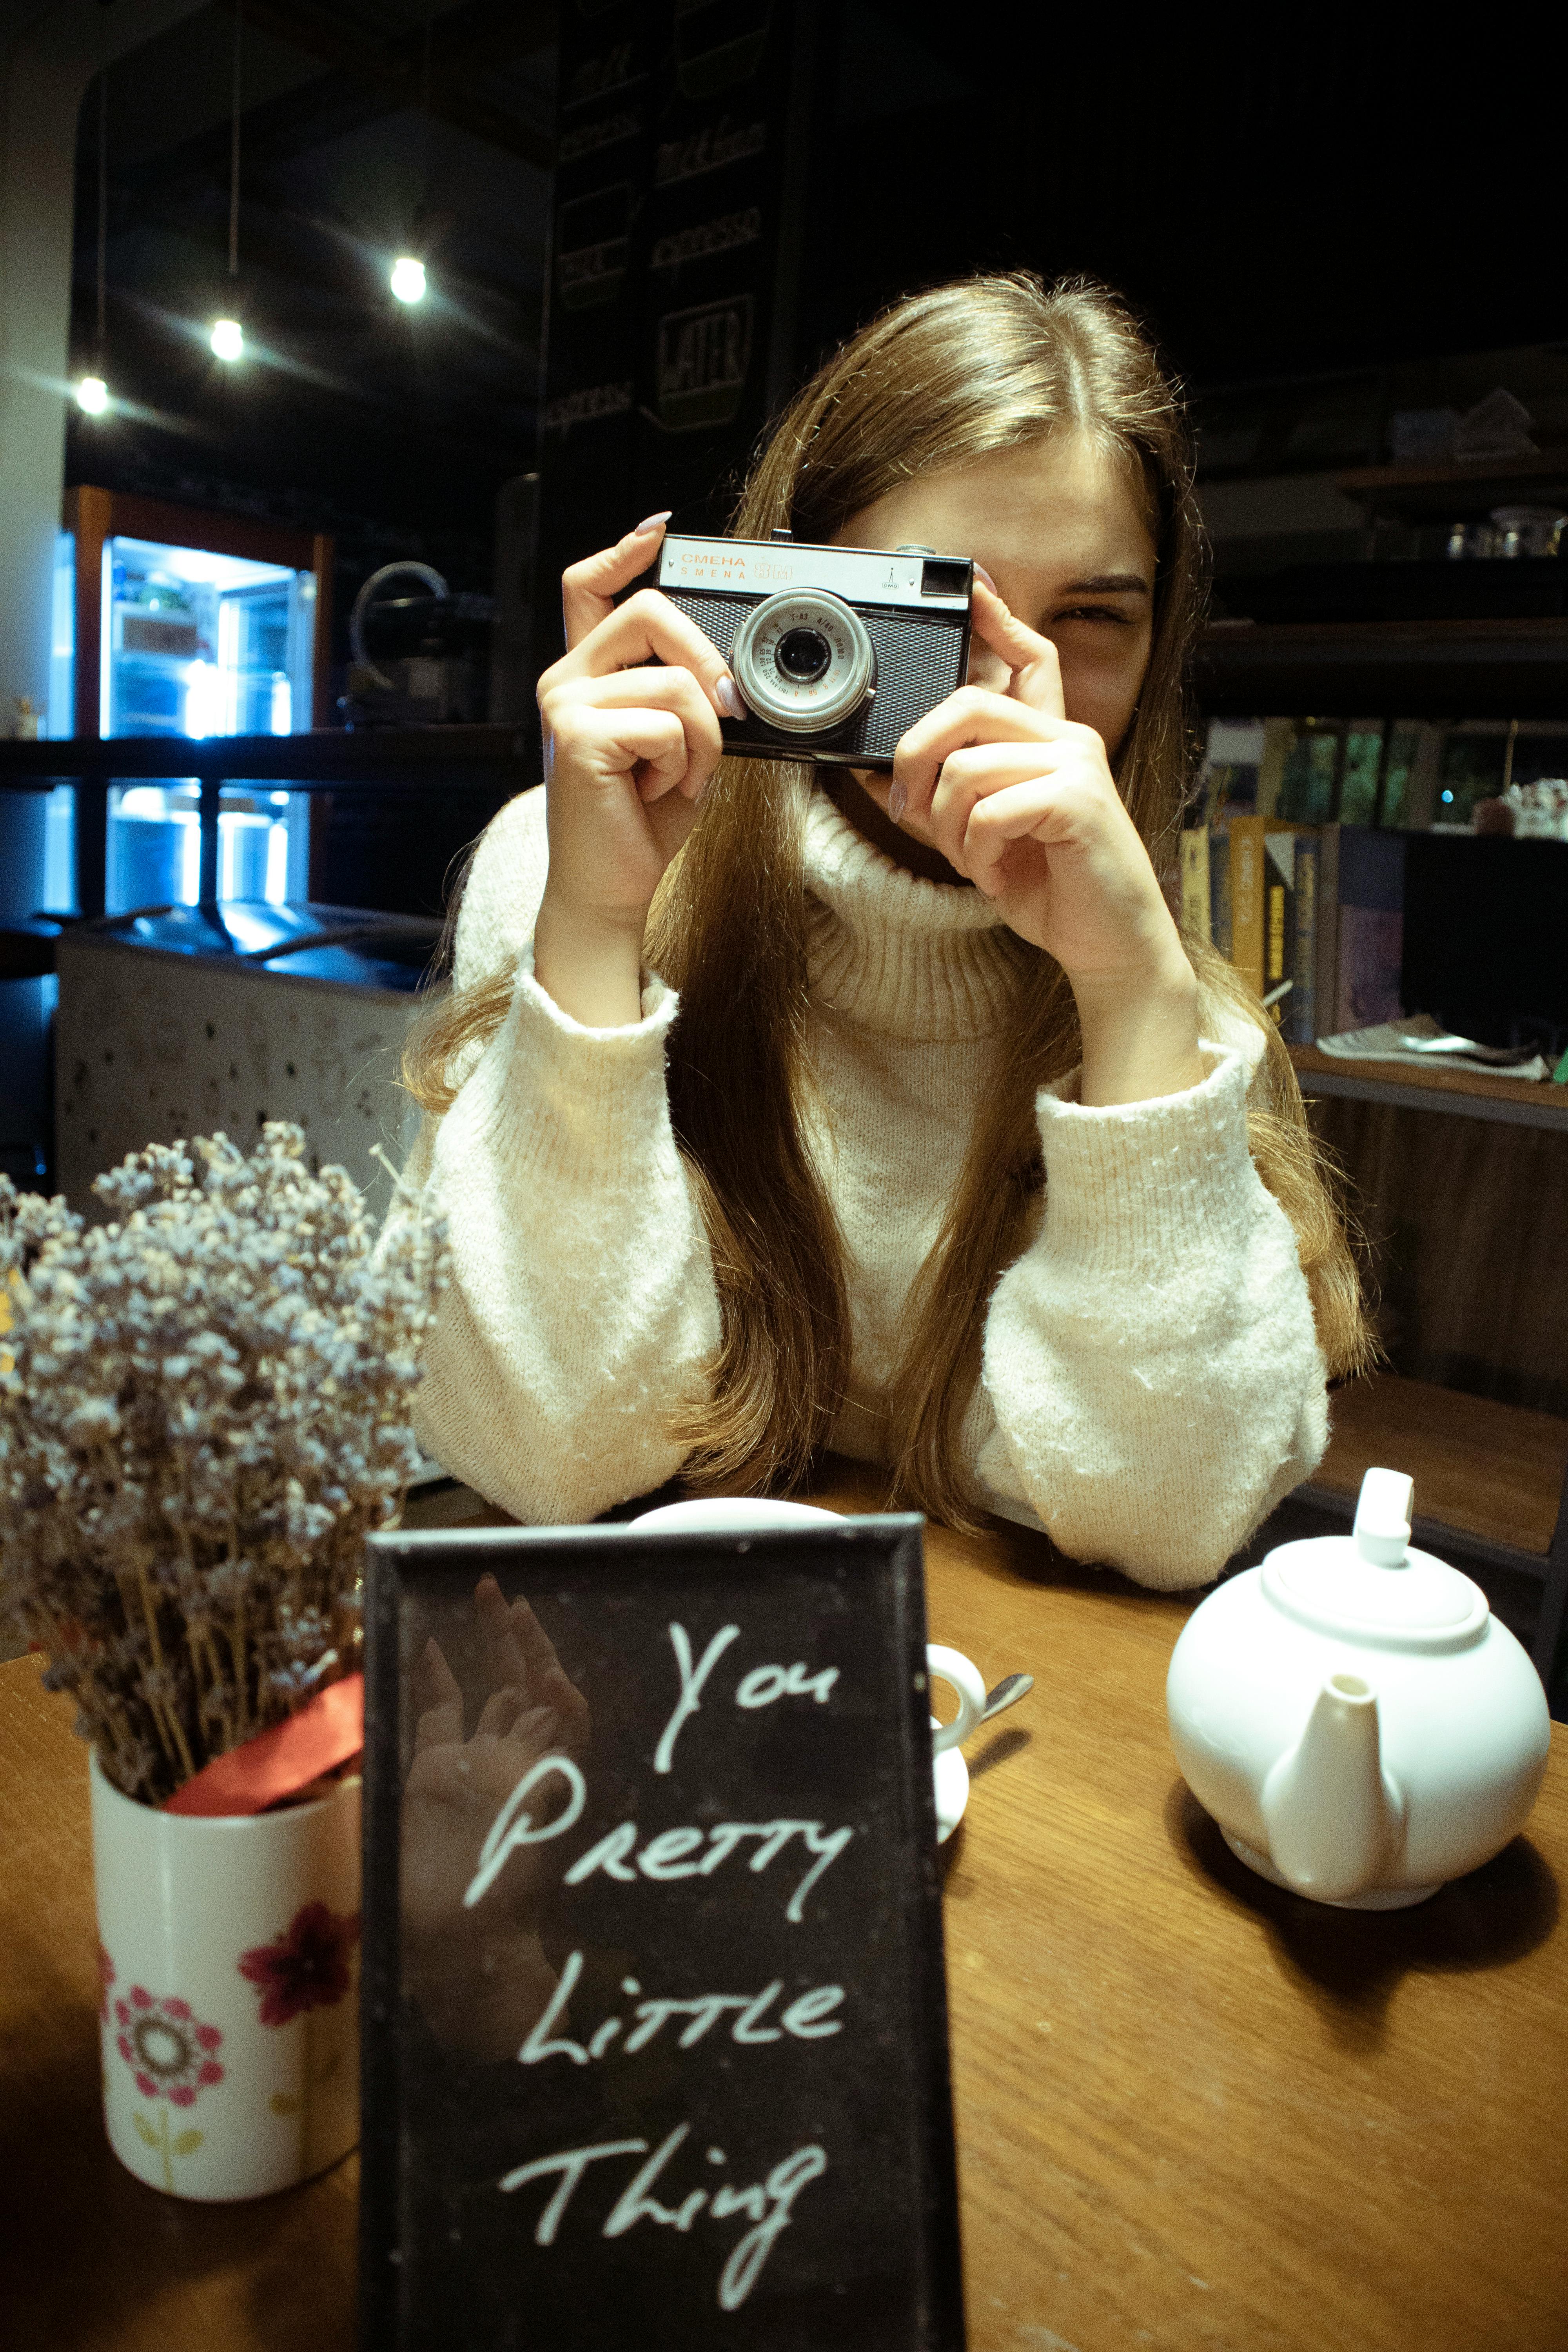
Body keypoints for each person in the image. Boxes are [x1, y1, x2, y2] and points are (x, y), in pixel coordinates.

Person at [390, 271, 1370, 1588]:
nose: (1010, 678)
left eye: (1089, 618)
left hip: (1009, 1702)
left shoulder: (1165, 1002)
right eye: (931, 608)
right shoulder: (570, 866)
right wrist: (594, 923)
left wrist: (1135, 995)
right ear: (793, 598)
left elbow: (1165, 1522)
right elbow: (547, 1452)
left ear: (1162, 642)